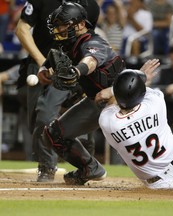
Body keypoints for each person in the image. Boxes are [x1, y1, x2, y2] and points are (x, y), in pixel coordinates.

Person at [38, 2, 128, 185]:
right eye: (57, 25)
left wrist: (77, 71)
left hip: (121, 102)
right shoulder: (66, 44)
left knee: (133, 145)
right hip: (96, 102)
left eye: (63, 24)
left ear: (80, 24)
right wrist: (43, 69)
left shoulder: (94, 41)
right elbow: (52, 57)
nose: (58, 29)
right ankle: (90, 169)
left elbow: (91, 60)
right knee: (53, 134)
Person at [15, 0, 100, 182]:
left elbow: (87, 40)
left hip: (69, 69)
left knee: (47, 115)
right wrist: (42, 63)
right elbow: (21, 30)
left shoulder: (91, 5)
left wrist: (75, 70)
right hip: (39, 65)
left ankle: (52, 168)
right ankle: (82, 165)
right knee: (36, 123)